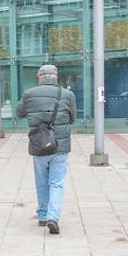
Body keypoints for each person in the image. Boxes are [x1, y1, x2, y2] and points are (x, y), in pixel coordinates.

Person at [16, 64, 77, 234]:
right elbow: (73, 118)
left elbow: (19, 112)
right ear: (56, 77)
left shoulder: (29, 94)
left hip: (39, 145)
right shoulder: (67, 94)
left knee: (41, 183)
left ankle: (43, 216)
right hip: (60, 146)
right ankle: (53, 217)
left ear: (39, 77)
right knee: (57, 183)